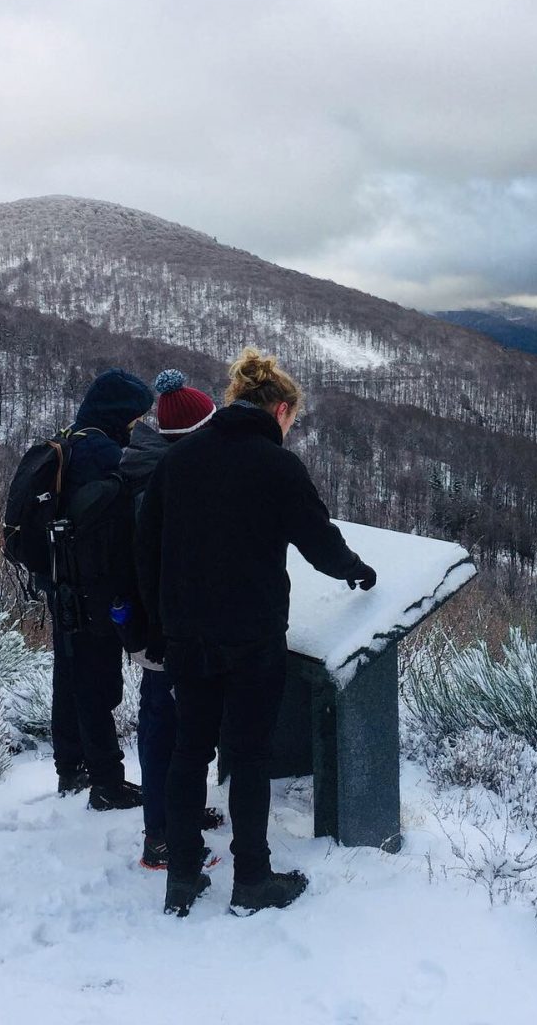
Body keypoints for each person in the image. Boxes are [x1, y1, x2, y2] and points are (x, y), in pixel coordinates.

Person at [137, 348, 377, 917]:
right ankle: (252, 879)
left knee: (189, 752)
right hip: (252, 633)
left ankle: (184, 879)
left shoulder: (180, 459)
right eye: (292, 420)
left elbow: (146, 551)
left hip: (187, 635)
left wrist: (163, 623)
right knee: (249, 756)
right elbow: (318, 542)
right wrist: (358, 571)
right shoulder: (277, 466)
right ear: (282, 410)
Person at [119, 369, 225, 869]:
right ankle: (160, 834)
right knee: (166, 722)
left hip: (150, 621)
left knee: (175, 720)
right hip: (162, 627)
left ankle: (175, 815)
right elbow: (161, 563)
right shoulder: (164, 479)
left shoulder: (142, 459)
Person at [50, 367, 153, 810]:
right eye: (133, 418)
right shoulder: (105, 455)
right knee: (97, 683)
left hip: (62, 585)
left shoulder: (71, 440)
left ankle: (71, 766)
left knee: (70, 675)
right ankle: (108, 782)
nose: (135, 427)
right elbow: (121, 529)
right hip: (94, 589)